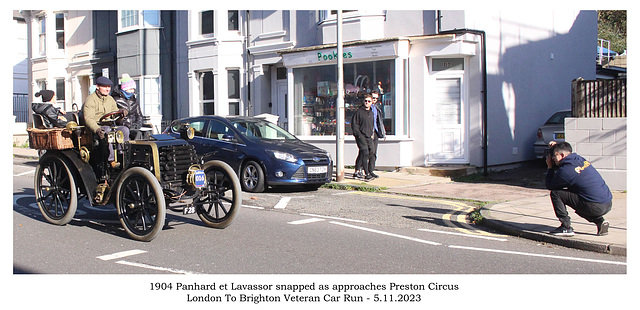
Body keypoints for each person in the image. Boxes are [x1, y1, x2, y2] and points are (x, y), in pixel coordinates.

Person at [545, 141, 612, 237]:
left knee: (556, 193)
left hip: (594, 206)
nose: (552, 158)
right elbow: (562, 152)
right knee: (580, 199)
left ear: (562, 155)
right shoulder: (578, 159)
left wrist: (550, 167)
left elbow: (550, 185)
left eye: (554, 156)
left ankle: (566, 227)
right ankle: (600, 222)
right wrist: (555, 147)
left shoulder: (566, 171)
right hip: (607, 202)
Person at [81, 76, 129, 168]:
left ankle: (122, 154)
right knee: (107, 131)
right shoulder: (90, 100)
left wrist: (121, 113)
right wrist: (97, 129)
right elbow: (89, 119)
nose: (107, 89)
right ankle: (111, 160)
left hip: (110, 125)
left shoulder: (110, 99)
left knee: (125, 130)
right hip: (97, 128)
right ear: (98, 87)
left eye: (109, 87)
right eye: (105, 87)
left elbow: (115, 114)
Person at [351, 95, 376, 181]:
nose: (367, 103)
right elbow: (354, 124)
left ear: (371, 102)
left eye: (369, 101)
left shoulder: (371, 113)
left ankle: (357, 171)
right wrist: (358, 135)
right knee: (365, 152)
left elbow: (372, 124)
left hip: (369, 136)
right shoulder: (359, 112)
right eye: (365, 101)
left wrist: (372, 134)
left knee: (370, 152)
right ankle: (367, 173)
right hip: (361, 136)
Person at [112, 74, 144, 139]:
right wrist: (128, 125)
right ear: (125, 89)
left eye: (133, 89)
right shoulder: (115, 100)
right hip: (122, 127)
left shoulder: (134, 100)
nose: (132, 91)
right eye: (130, 89)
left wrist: (137, 125)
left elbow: (139, 115)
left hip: (134, 128)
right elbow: (115, 118)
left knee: (143, 133)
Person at [369, 91, 386, 178]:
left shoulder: (377, 108)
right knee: (365, 152)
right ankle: (359, 169)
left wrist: (383, 132)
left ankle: (371, 170)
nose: (374, 100)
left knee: (374, 152)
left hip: (375, 132)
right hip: (368, 133)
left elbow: (379, 121)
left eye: (376, 98)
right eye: (373, 98)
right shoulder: (367, 108)